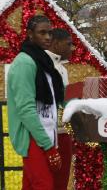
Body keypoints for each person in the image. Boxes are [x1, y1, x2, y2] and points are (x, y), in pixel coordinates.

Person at [7, 15, 64, 189]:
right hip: (32, 137)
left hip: (44, 134)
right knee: (43, 185)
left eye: (50, 33)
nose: (48, 37)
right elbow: (26, 109)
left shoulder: (43, 62)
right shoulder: (24, 63)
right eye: (42, 33)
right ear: (30, 34)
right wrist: (48, 146)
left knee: (32, 185)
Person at [45, 28, 74, 190]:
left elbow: (64, 101)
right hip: (47, 134)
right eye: (68, 44)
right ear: (55, 44)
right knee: (46, 181)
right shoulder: (43, 65)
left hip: (63, 133)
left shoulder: (63, 69)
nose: (72, 49)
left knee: (61, 182)